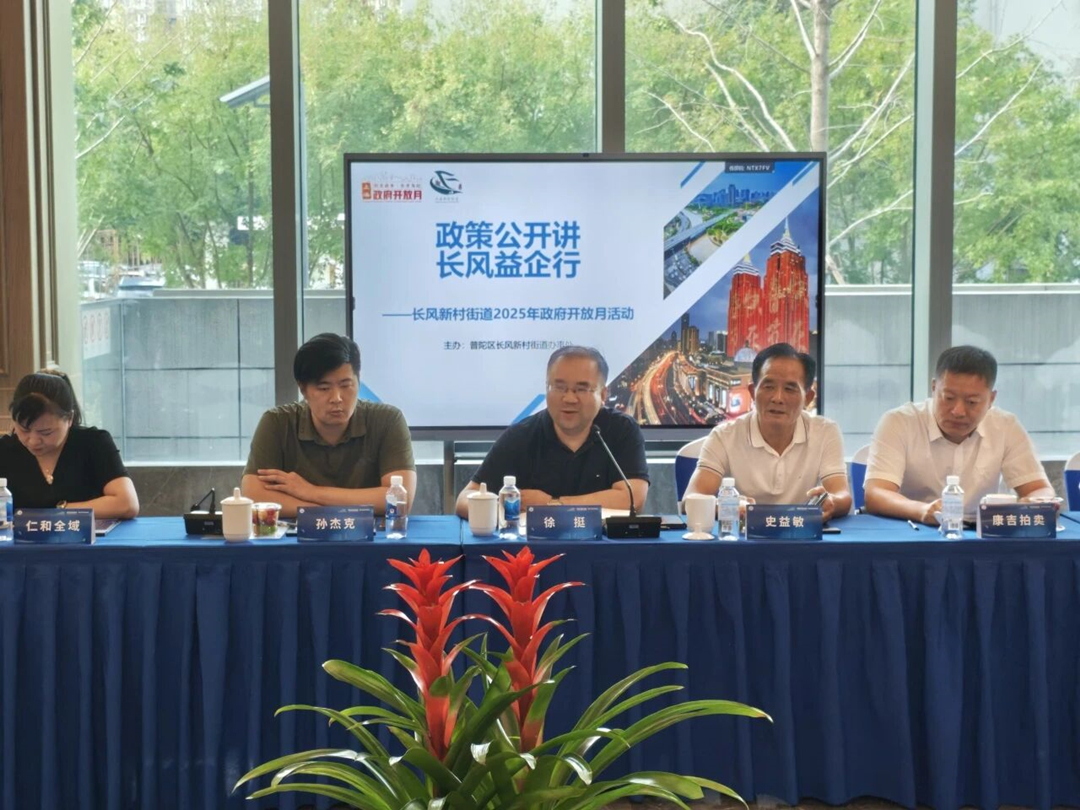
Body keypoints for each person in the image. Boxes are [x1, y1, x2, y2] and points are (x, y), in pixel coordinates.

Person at [864, 345, 1055, 524]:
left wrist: (1038, 502)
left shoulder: (1006, 426)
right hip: (913, 529)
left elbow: (1039, 489)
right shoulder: (899, 422)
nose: (958, 411)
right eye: (948, 398)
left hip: (982, 533)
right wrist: (922, 510)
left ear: (991, 399)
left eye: (972, 402)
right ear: (934, 388)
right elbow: (876, 493)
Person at [454, 346, 648, 517]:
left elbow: (634, 498)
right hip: (534, 545)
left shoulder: (622, 429)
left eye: (581, 389)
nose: (569, 399)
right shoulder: (522, 435)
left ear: (603, 394)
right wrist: (504, 510)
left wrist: (551, 504)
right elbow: (465, 499)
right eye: (559, 387)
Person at [242, 333, 416, 518]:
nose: (337, 398)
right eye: (324, 388)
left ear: (358, 381)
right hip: (298, 535)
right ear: (303, 389)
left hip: (371, 535)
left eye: (346, 385)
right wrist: (325, 514)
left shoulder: (388, 420)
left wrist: (310, 491)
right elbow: (254, 495)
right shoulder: (277, 423)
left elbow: (399, 500)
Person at [684, 342, 852, 522]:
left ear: (808, 398)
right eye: (768, 386)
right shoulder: (724, 436)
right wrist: (729, 507)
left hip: (802, 532)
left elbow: (842, 495)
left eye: (790, 389)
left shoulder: (825, 432)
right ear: (752, 392)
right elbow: (692, 498)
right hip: (743, 536)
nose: (777, 398)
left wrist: (830, 502)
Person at [0, 370, 139, 518]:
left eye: (46, 432)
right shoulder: (5, 450)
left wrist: (60, 511)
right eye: (24, 430)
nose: (33, 441)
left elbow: (127, 504)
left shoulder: (93, 443)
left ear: (69, 418)